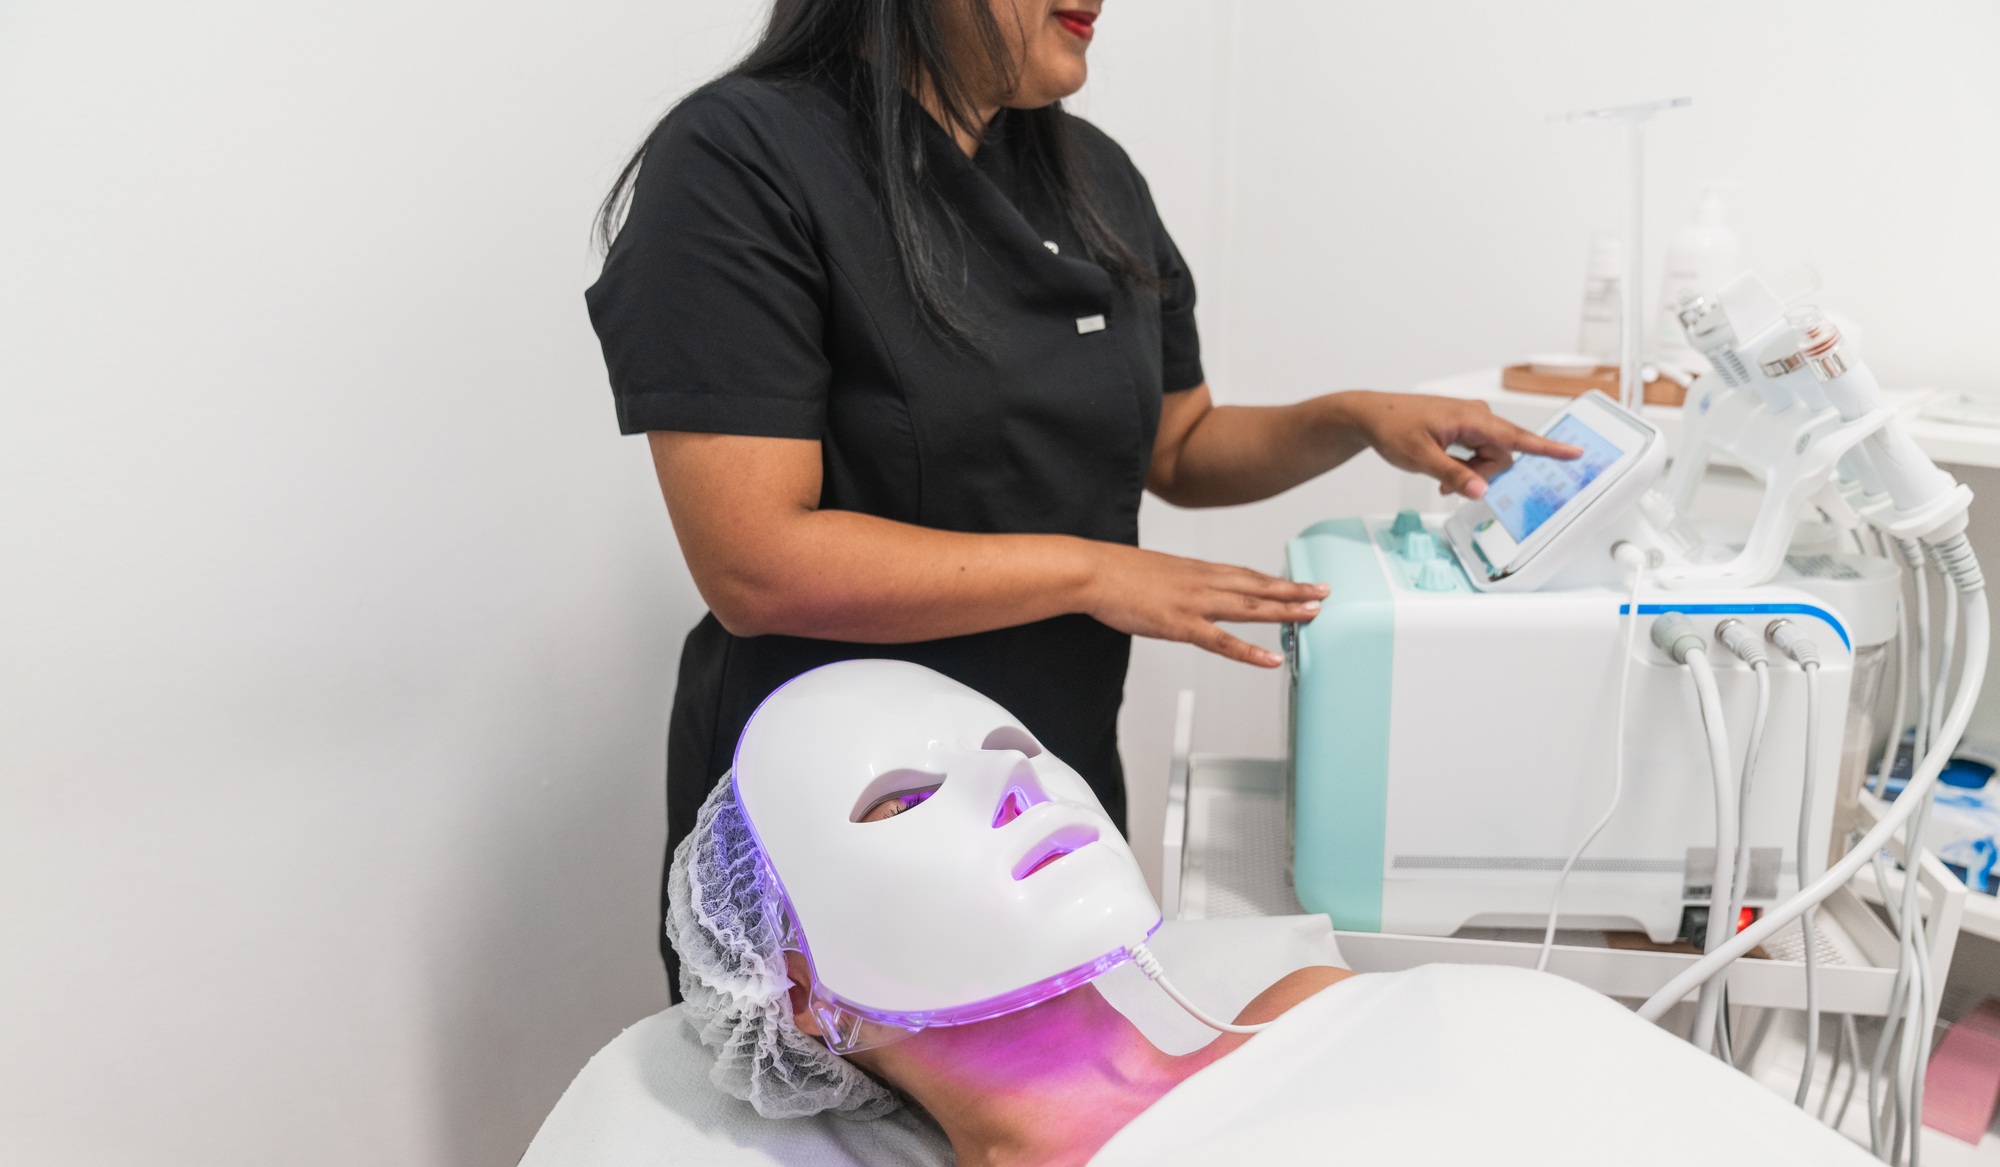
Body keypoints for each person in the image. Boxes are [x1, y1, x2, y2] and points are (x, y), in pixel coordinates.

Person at [585, 0, 1582, 998]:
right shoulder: (742, 158)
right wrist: (1093, 572)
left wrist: (1350, 418)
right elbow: (756, 563)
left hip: (1050, 789)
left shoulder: (1088, 176)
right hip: (852, 829)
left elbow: (1179, 447)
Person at [668, 663, 2000, 1167]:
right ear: (797, 992)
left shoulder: (1317, 995)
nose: (1017, 785)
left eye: (1017, 749)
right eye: (900, 799)